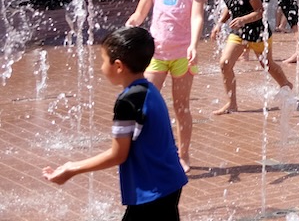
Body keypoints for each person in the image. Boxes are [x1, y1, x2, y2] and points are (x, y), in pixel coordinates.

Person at [43, 26, 189, 220]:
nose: (101, 67)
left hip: (151, 191)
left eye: (103, 61)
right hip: (168, 182)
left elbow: (118, 154)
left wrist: (72, 168)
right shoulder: (150, 91)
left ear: (118, 66)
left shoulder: (128, 102)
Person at [125, 0, 207, 171]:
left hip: (183, 55)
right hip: (156, 53)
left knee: (181, 107)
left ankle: (184, 154)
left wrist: (194, 44)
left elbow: (197, 16)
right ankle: (152, 151)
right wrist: (130, 26)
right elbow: (140, 14)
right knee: (146, 104)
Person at [210, 0, 293, 115]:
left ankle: (286, 84)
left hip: (258, 33)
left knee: (267, 64)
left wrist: (243, 19)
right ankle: (231, 103)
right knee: (225, 63)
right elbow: (230, 6)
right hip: (240, 33)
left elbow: (260, 12)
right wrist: (220, 23)